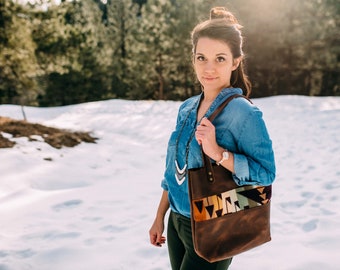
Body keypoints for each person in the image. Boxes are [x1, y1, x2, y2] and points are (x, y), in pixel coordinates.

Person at [149, 7, 276, 270]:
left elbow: (266, 175)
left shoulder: (243, 112)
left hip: (215, 222)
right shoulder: (186, 108)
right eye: (201, 58)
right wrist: (160, 216)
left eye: (219, 58)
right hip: (177, 223)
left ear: (235, 61)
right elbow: (172, 171)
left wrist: (218, 153)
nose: (209, 68)